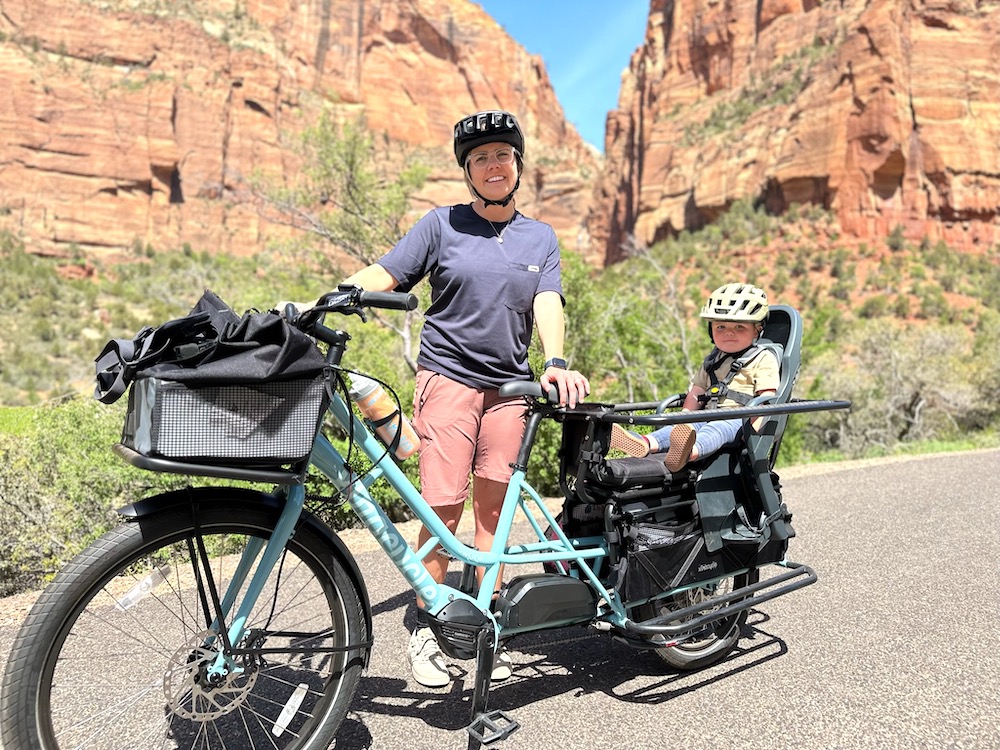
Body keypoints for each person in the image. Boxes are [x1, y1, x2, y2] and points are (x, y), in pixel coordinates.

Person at [340, 109, 590, 688]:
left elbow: (546, 301)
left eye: (502, 155)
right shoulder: (442, 224)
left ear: (517, 165)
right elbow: (389, 271)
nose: (493, 164)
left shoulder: (540, 237)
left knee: (494, 515)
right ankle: (429, 629)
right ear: (468, 172)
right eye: (480, 158)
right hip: (448, 378)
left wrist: (554, 363)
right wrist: (335, 293)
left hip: (510, 388)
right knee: (441, 506)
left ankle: (481, 628)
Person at [611, 283, 779, 471]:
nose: (729, 332)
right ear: (711, 330)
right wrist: (685, 418)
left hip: (738, 421)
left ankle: (688, 452)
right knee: (679, 429)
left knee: (715, 430)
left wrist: (753, 433)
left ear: (757, 329)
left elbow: (767, 397)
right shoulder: (712, 360)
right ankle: (646, 442)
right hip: (707, 413)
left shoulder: (763, 358)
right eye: (721, 326)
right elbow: (697, 390)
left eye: (739, 327)